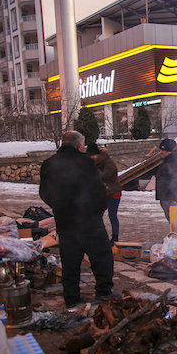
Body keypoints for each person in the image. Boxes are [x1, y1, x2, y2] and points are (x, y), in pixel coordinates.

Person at [39, 131, 118, 308]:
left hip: (65, 221)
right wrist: (97, 210)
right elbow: (98, 190)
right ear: (79, 146)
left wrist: (59, 206)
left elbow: (44, 193)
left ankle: (71, 298)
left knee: (70, 261)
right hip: (89, 220)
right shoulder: (85, 163)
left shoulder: (49, 164)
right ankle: (104, 293)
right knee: (102, 257)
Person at [87, 143, 122, 244]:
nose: (91, 158)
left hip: (113, 191)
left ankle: (115, 237)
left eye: (92, 156)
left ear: (97, 155)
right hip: (102, 192)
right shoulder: (95, 162)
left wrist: (93, 167)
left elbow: (104, 176)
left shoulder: (108, 162)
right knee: (98, 214)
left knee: (112, 215)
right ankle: (98, 235)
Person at [155, 138, 177, 222]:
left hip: (170, 197)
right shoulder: (167, 161)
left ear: (168, 151)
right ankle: (176, 234)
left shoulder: (173, 161)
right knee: (172, 220)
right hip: (166, 196)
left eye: (162, 150)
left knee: (174, 220)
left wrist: (170, 191)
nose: (160, 152)